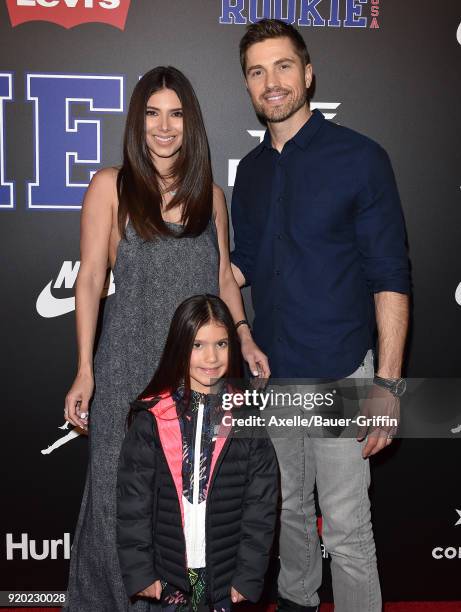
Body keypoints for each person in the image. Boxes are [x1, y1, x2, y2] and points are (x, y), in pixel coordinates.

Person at [63, 66, 269, 612]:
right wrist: (86, 370)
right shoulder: (111, 186)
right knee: (116, 504)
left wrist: (242, 337)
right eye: (152, 113)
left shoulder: (212, 197)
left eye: (176, 113)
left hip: (196, 379)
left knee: (186, 508)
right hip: (127, 371)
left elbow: (224, 277)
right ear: (137, 120)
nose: (164, 126)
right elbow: (88, 281)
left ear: (191, 122)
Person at [230, 19, 410, 612]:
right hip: (275, 377)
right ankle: (298, 603)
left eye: (283, 67)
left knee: (348, 529)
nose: (271, 82)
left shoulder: (360, 158)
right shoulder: (250, 174)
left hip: (342, 372)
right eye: (257, 72)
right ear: (249, 86)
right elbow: (245, 265)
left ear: (308, 74)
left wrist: (385, 384)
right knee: (288, 511)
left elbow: (390, 277)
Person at [116, 294, 278, 612]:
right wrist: (139, 570)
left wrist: (248, 575)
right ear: (180, 346)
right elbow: (133, 501)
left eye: (221, 344)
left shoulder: (246, 418)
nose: (212, 358)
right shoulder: (153, 417)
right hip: (169, 576)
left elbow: (261, 505)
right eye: (198, 345)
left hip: (224, 576)